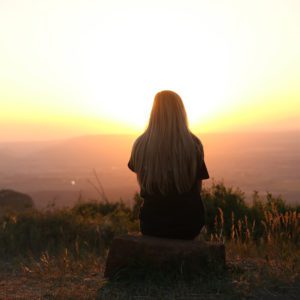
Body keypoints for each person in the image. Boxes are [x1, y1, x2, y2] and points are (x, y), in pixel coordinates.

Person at [128, 90, 209, 240]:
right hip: (188, 224)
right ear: (181, 112)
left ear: (154, 112)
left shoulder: (140, 145)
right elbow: (197, 189)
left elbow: (143, 184)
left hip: (152, 224)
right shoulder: (193, 144)